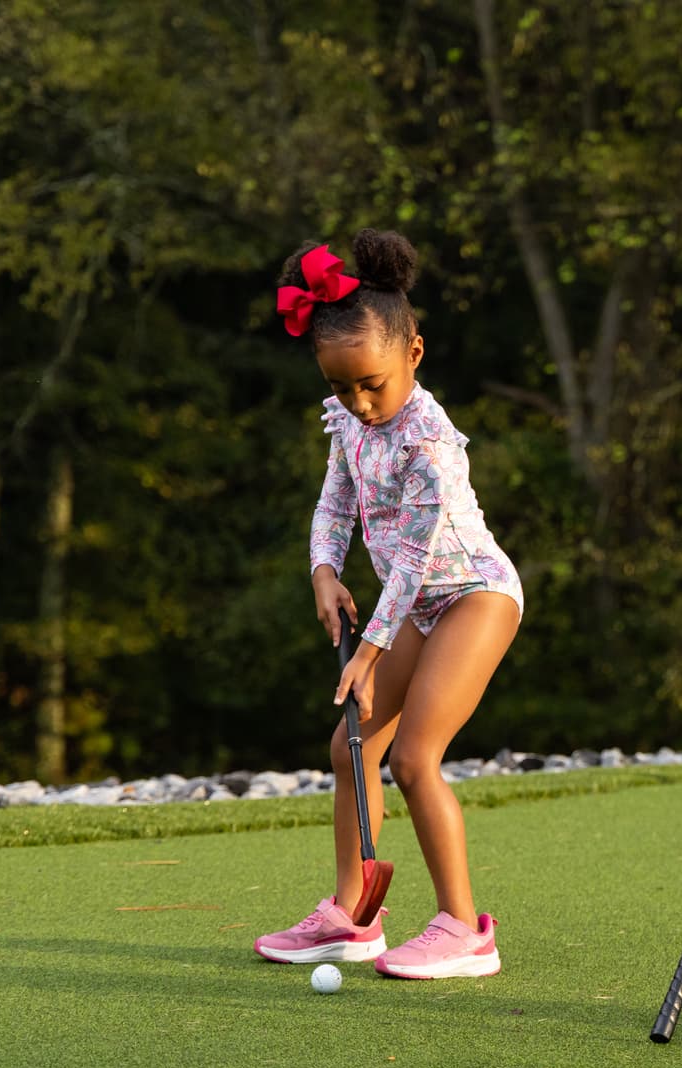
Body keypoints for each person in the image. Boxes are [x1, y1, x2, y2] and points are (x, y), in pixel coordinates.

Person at [253, 229, 522, 979]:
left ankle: (466, 928)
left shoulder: (430, 441)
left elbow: (410, 556)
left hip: (474, 596)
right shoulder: (349, 422)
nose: (359, 402)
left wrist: (368, 649)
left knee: (412, 756)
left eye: (372, 383)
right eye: (342, 387)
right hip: (415, 606)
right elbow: (334, 503)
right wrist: (322, 570)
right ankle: (352, 916)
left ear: (414, 353)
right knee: (350, 748)